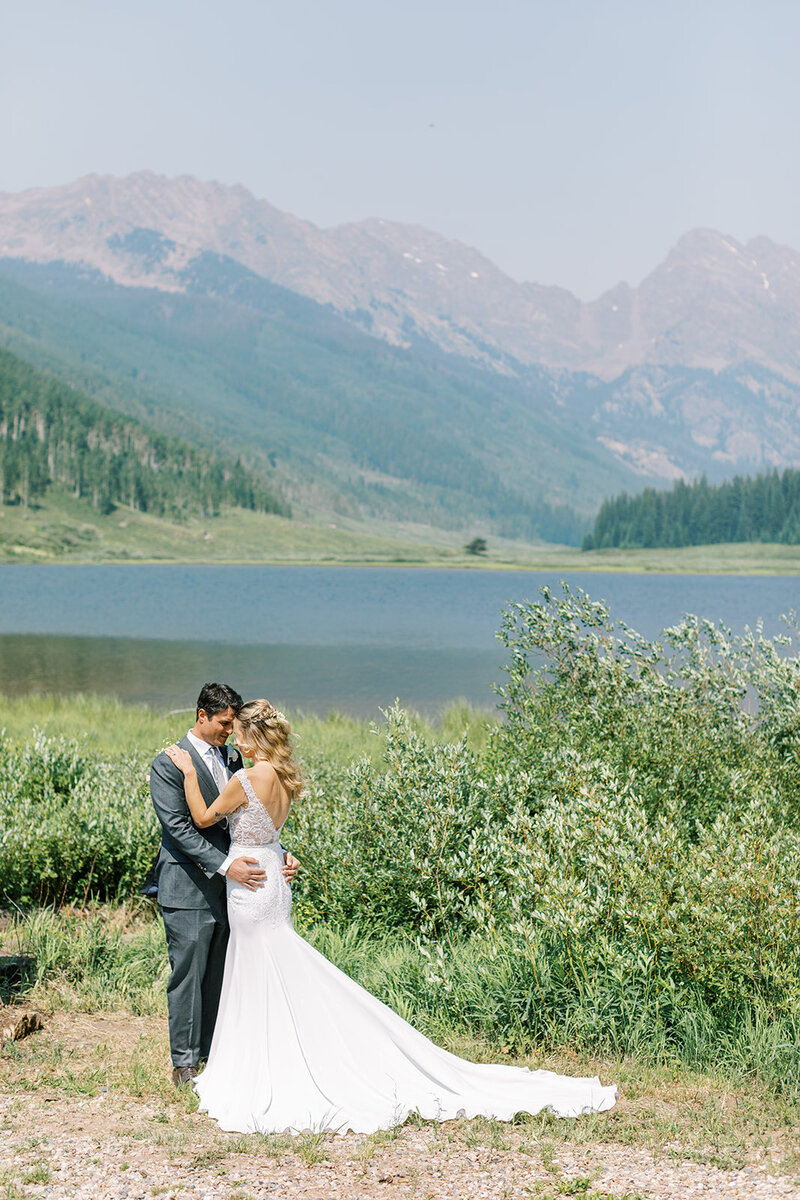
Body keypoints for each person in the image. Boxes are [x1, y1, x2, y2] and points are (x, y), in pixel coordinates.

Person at [164, 698, 617, 1135]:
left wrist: (188, 770)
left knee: (259, 972)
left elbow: (202, 817)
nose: (234, 740)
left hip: (250, 888)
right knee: (270, 970)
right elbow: (267, 832)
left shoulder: (247, 776)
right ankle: (271, 1053)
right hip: (272, 883)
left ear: (249, 736)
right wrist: (281, 853)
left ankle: (261, 1062)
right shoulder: (281, 775)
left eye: (238, 732)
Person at [150, 682, 299, 1086]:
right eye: (223, 723)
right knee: (188, 974)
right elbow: (180, 827)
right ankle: (185, 1063)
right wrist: (226, 865)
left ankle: (218, 1052)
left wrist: (280, 852)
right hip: (190, 884)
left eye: (235, 725)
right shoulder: (168, 764)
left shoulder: (238, 759)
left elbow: (257, 817)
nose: (230, 732)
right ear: (202, 715)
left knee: (224, 972)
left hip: (240, 888)